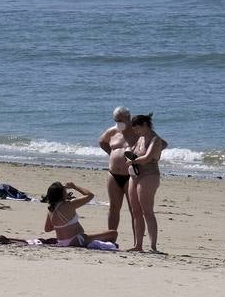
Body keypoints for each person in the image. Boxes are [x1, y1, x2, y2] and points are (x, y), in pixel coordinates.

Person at [125, 113, 167, 252]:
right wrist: (128, 154)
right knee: (135, 211)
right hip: (135, 175)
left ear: (145, 125)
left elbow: (147, 157)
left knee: (147, 211)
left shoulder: (155, 139)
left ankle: (153, 246)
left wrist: (133, 161)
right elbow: (132, 151)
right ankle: (138, 245)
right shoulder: (141, 138)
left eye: (137, 128)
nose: (135, 132)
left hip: (149, 175)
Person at [97, 106, 135, 244]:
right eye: (116, 120)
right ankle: (110, 239)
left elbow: (153, 143)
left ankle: (137, 242)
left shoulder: (137, 132)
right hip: (113, 174)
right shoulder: (112, 131)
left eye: (120, 120)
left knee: (134, 209)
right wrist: (112, 154)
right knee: (114, 207)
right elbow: (102, 142)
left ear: (128, 118)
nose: (118, 123)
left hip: (130, 175)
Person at [41, 181, 117, 248]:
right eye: (65, 190)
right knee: (113, 233)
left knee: (99, 235)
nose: (66, 192)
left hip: (62, 241)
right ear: (61, 194)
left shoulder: (51, 209)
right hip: (76, 240)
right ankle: (108, 248)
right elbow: (90, 195)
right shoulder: (69, 205)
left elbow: (47, 229)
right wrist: (74, 186)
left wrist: (63, 225)